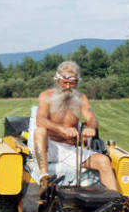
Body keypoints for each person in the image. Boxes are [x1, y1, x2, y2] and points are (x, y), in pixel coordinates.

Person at [33, 60, 118, 191]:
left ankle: (115, 204)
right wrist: (62, 129)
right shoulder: (46, 96)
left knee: (104, 161)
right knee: (40, 131)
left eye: (72, 83)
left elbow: (91, 118)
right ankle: (44, 178)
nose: (68, 87)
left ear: (77, 82)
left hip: (69, 148)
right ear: (57, 80)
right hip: (49, 147)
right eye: (64, 83)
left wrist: (90, 127)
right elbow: (40, 120)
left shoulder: (81, 98)